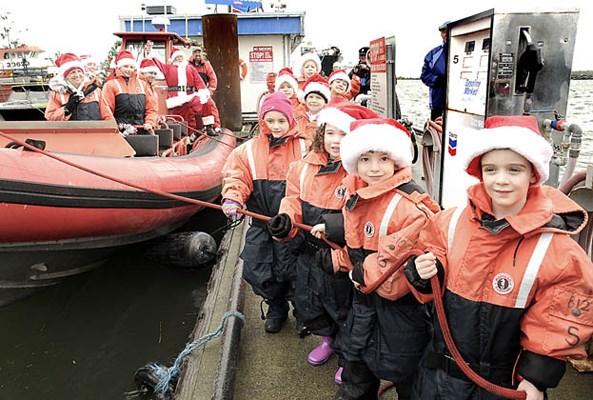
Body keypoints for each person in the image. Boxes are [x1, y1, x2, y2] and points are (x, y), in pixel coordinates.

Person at [405, 115, 593, 400]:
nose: (501, 180)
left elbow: (560, 318)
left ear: (533, 174)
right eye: (491, 169)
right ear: (480, 172)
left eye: (514, 170)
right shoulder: (450, 221)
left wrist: (535, 379)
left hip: (503, 384)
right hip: (436, 374)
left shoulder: (556, 249)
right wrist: (422, 272)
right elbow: (430, 251)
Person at [312, 118, 440, 399]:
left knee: (409, 377)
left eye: (383, 158)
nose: (374, 167)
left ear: (397, 160)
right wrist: (338, 260)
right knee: (356, 375)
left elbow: (399, 260)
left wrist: (363, 273)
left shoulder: (412, 206)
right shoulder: (357, 197)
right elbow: (359, 246)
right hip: (363, 308)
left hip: (402, 314)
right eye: (365, 159)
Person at [267, 102, 379, 384]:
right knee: (309, 304)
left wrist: (335, 227)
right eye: (331, 133)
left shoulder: (360, 173)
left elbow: (367, 213)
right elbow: (292, 200)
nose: (336, 141)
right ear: (321, 134)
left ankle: (347, 356)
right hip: (308, 254)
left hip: (341, 258)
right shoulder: (301, 168)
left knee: (345, 309)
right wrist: (285, 221)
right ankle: (328, 340)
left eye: (344, 135)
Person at [220, 92, 311, 334]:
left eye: (281, 121)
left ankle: (303, 312)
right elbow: (236, 177)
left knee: (298, 271)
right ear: (262, 121)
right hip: (261, 224)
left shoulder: (306, 147)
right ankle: (276, 308)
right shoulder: (246, 151)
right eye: (270, 121)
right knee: (258, 269)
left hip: (296, 225)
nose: (276, 126)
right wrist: (232, 198)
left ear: (290, 120)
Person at [152, 47, 218, 136]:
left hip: (190, 95)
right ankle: (188, 136)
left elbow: (198, 80)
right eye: (177, 57)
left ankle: (209, 126)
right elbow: (157, 63)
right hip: (176, 98)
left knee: (204, 103)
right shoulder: (168, 68)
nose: (179, 59)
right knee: (183, 118)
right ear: (173, 59)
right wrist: (150, 54)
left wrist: (203, 91)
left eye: (180, 57)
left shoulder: (190, 68)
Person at [45, 53, 114, 121]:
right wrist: (67, 109)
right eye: (72, 72)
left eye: (79, 71)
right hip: (70, 132)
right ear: (65, 77)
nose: (77, 75)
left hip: (94, 131)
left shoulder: (95, 91)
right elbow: (50, 117)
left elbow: (107, 116)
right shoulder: (57, 94)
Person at [102, 50, 158, 133]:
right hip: (120, 131)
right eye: (126, 66)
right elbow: (106, 109)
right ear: (119, 67)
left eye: (131, 67)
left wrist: (149, 122)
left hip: (141, 129)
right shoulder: (111, 85)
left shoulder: (143, 85)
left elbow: (152, 108)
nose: (129, 69)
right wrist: (113, 126)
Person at [421, 22, 448, 121]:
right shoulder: (433, 54)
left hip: (459, 103)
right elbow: (424, 75)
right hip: (438, 102)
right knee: (436, 127)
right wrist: (437, 80)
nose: (444, 35)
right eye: (443, 32)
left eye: (446, 31)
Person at [188, 46, 222, 128]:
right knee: (189, 110)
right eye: (195, 52)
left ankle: (216, 126)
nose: (197, 54)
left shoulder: (206, 65)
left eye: (199, 52)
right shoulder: (187, 65)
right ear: (192, 54)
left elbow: (213, 79)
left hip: (202, 92)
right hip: (191, 92)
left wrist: (210, 91)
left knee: (211, 106)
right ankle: (192, 130)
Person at [295, 73, 331, 141]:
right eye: (311, 97)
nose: (314, 101)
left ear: (325, 102)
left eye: (318, 98)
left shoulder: (328, 119)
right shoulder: (296, 114)